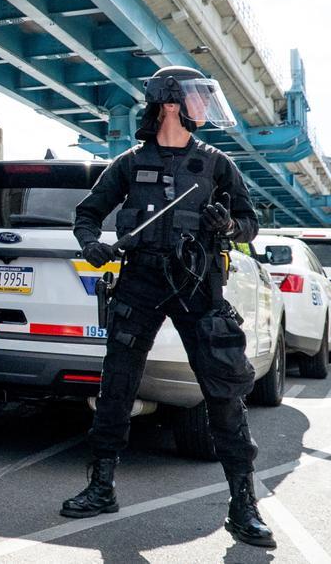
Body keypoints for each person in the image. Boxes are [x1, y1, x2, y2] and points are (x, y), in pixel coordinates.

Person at [63, 66, 274, 548]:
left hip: (197, 280)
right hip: (140, 277)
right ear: (172, 102)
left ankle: (243, 504)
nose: (205, 105)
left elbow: (249, 222)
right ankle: (100, 486)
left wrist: (229, 227)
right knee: (117, 382)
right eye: (199, 96)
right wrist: (92, 244)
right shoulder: (129, 163)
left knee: (222, 387)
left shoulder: (217, 163)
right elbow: (87, 214)